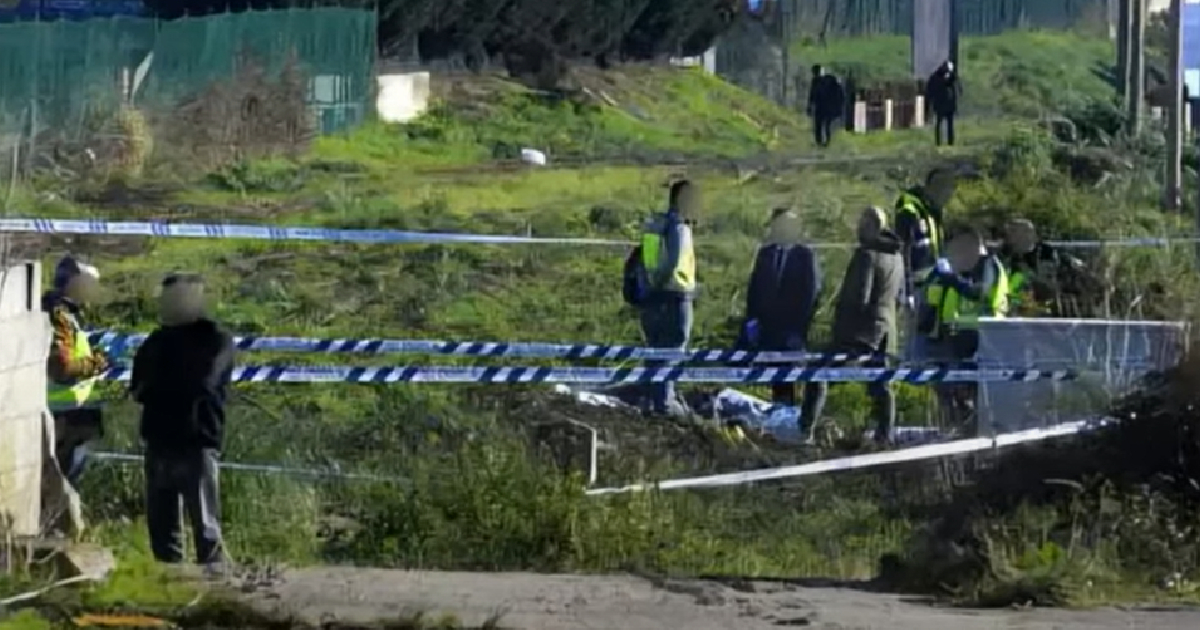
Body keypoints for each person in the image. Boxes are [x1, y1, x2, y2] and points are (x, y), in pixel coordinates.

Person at [130, 273, 235, 566]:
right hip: (158, 441)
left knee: (206, 527)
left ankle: (218, 592)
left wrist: (161, 385)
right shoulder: (155, 340)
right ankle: (170, 589)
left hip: (197, 441)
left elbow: (205, 382)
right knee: (162, 532)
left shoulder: (216, 340)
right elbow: (138, 387)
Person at [801, 207, 903, 444]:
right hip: (886, 330)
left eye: (863, 224)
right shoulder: (896, 256)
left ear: (874, 227)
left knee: (818, 373)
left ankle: (806, 429)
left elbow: (857, 297)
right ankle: (885, 435)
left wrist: (841, 327)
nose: (858, 229)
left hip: (860, 334)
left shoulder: (866, 255)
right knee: (881, 384)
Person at [918, 229, 1009, 432]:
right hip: (953, 334)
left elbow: (979, 293)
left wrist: (951, 278)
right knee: (947, 384)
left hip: (982, 334)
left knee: (973, 388)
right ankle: (960, 426)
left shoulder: (989, 266)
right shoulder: (960, 267)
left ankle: (977, 428)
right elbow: (936, 297)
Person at [626, 180, 697, 416]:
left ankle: (652, 400)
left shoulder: (655, 226)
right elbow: (673, 263)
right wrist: (662, 284)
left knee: (655, 352)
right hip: (674, 297)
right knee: (672, 350)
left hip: (652, 299)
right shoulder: (678, 227)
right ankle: (665, 405)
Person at [741, 209, 820, 409]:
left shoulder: (805, 255)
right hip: (767, 330)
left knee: (789, 378)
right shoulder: (765, 253)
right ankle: (777, 417)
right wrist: (752, 320)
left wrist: (800, 330)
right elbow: (754, 288)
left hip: (791, 331)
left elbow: (810, 294)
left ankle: (790, 417)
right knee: (773, 380)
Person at [42, 256, 110, 488]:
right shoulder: (59, 316)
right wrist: (96, 364)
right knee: (60, 487)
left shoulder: (63, 313)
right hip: (64, 415)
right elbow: (62, 367)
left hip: (65, 411)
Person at [894, 167, 954, 359]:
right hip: (918, 286)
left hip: (934, 286)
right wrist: (907, 291)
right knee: (914, 338)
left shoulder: (933, 210)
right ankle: (912, 380)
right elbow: (904, 248)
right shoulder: (910, 208)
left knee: (927, 335)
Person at [998, 218, 1094, 317]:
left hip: (1049, 314)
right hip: (1014, 312)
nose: (1009, 237)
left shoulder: (1050, 255)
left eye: (1014, 231)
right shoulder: (1002, 258)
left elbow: (1077, 281)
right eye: (1009, 232)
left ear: (1029, 234)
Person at [807, 65, 845, 148]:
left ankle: (819, 141)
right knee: (827, 124)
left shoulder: (816, 81)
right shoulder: (830, 81)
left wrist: (810, 106)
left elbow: (812, 95)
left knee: (818, 125)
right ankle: (827, 140)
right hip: (828, 106)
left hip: (820, 105)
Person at [925, 60, 961, 146]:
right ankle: (940, 142)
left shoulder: (949, 78)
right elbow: (930, 91)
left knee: (947, 124)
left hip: (946, 104)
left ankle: (949, 142)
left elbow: (956, 89)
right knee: (940, 124)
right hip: (941, 104)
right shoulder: (936, 78)